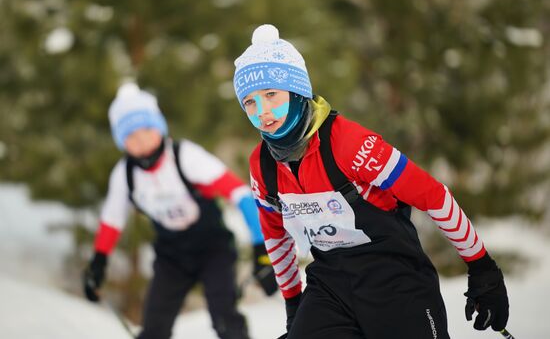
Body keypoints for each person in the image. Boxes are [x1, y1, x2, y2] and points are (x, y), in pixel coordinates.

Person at [232, 24, 509, 339]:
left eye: (271, 94)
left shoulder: (349, 143)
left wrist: (482, 267)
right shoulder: (263, 165)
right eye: (250, 102)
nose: (263, 112)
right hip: (330, 283)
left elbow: (433, 196)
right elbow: (276, 236)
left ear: (298, 92)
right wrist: (294, 306)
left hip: (395, 279)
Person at [83, 82, 278, 339]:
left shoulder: (185, 156)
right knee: (154, 329)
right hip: (171, 257)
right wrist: (98, 263)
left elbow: (241, 195)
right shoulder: (125, 175)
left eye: (146, 130)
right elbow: (111, 220)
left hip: (213, 250)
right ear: (122, 141)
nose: (141, 140)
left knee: (225, 320)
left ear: (159, 127)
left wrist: (261, 249)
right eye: (131, 135)